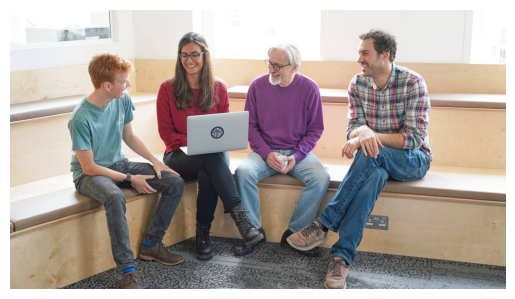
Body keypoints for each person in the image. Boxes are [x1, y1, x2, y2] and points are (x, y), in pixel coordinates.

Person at [287, 29, 433, 289]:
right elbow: (354, 127)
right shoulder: (357, 83)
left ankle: (325, 222)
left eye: (365, 53)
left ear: (385, 55)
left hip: (412, 159)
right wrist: (362, 133)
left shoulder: (413, 82)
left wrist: (370, 136)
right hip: (375, 161)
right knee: (372, 175)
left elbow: (414, 138)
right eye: (360, 53)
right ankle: (340, 260)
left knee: (370, 152)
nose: (359, 59)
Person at [69, 53, 185, 289]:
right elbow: (89, 167)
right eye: (124, 80)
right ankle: (127, 270)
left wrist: (155, 161)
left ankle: (152, 245)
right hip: (89, 175)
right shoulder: (80, 118)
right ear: (107, 85)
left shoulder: (121, 97)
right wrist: (131, 179)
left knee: (173, 182)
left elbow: (129, 136)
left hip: (118, 164)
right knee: (114, 196)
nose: (129, 84)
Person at [157, 32, 264, 261]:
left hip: (212, 156)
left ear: (204, 56)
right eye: (184, 55)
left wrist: (205, 143)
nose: (189, 60)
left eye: (195, 54)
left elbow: (223, 131)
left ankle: (202, 235)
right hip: (179, 157)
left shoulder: (218, 87)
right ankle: (241, 219)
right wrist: (194, 141)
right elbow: (167, 135)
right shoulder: (167, 88)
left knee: (209, 169)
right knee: (211, 157)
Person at [234, 44, 331, 256]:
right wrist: (267, 153)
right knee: (243, 173)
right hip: (265, 152)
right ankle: (254, 232)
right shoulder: (257, 86)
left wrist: (297, 155)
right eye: (269, 62)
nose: (271, 69)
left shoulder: (309, 88)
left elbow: (315, 129)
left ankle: (295, 234)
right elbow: (250, 126)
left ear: (294, 67)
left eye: (278, 65)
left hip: (297, 152)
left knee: (321, 177)